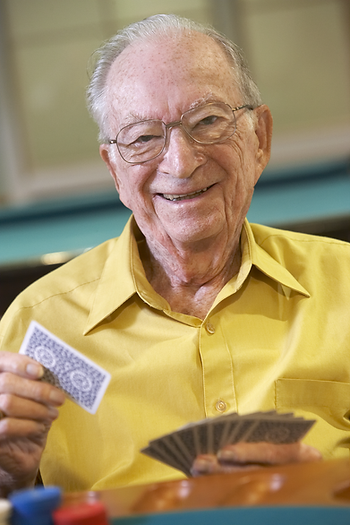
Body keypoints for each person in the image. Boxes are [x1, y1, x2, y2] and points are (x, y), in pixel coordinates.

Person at [0, 13, 349, 496]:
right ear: (115, 170)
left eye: (208, 121)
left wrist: (331, 486)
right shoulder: (34, 327)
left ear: (260, 138)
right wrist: (7, 479)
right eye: (143, 137)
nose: (181, 162)